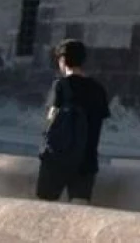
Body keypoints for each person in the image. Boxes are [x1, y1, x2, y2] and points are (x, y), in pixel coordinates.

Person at [35, 39, 111, 204]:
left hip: (57, 160)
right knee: (79, 209)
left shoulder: (60, 86)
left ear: (62, 60)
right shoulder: (98, 89)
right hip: (86, 161)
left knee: (44, 207)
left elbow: (50, 120)